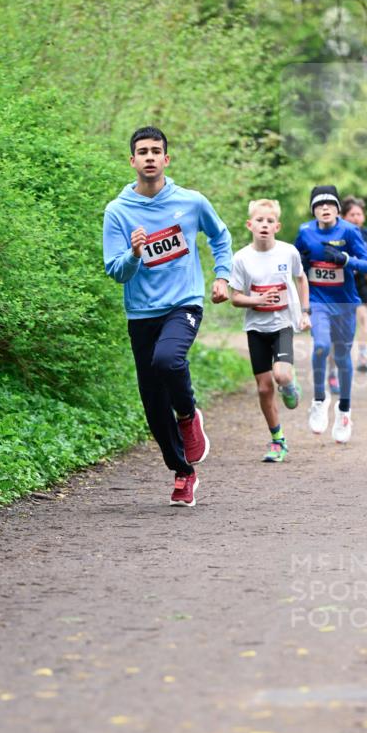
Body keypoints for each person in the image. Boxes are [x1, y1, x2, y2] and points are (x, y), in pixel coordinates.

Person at [103, 126, 231, 507]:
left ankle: (190, 416)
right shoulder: (118, 211)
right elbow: (115, 271)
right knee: (153, 403)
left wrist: (222, 275)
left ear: (166, 159)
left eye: (156, 150)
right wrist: (134, 254)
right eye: (142, 151)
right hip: (141, 312)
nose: (149, 157)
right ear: (132, 161)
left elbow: (220, 236)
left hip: (183, 303)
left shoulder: (191, 202)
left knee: (168, 359)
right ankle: (183, 472)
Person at [229, 198, 310, 462]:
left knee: (282, 376)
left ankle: (289, 384)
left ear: (277, 226)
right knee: (264, 389)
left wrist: (305, 312)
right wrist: (257, 301)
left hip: (283, 324)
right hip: (256, 328)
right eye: (260, 221)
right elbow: (235, 297)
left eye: (270, 221)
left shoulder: (289, 252)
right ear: (250, 224)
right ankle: (278, 440)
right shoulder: (241, 258)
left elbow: (301, 278)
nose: (264, 225)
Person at [295, 185, 367, 443]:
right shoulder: (305, 232)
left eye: (330, 204)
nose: (325, 208)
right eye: (319, 205)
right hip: (318, 301)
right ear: (313, 210)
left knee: (341, 357)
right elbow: (296, 265)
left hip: (345, 303)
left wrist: (345, 259)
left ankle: (344, 410)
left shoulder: (350, 231)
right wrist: (302, 263)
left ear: (338, 208)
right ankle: (319, 400)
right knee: (320, 346)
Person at [340, 195, 367, 373]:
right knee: (344, 322)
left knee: (363, 318)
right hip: (342, 282)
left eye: (359, 214)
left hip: (361, 282)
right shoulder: (339, 232)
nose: (356, 217)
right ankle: (341, 356)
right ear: (343, 216)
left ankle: (363, 355)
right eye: (352, 214)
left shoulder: (366, 233)